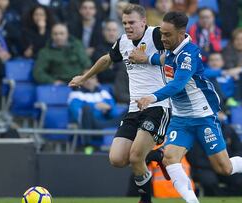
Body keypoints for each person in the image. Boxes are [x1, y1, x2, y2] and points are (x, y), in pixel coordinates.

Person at [135, 11, 242, 203]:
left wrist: (152, 97)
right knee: (170, 158)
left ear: (181, 34)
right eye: (162, 33)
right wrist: (146, 59)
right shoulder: (171, 51)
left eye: (167, 34)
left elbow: (178, 84)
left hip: (202, 116)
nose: (162, 38)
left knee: (224, 168)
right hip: (181, 119)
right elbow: (164, 61)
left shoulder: (190, 53)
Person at [69, 4, 170, 203]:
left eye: (132, 22)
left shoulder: (156, 35)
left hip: (158, 106)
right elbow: (107, 60)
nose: (128, 27)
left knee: (135, 157)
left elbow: (177, 54)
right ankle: (155, 155)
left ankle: (145, 199)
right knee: (116, 159)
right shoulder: (123, 42)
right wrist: (84, 77)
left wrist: (148, 58)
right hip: (134, 109)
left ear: (143, 22)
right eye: (124, 23)